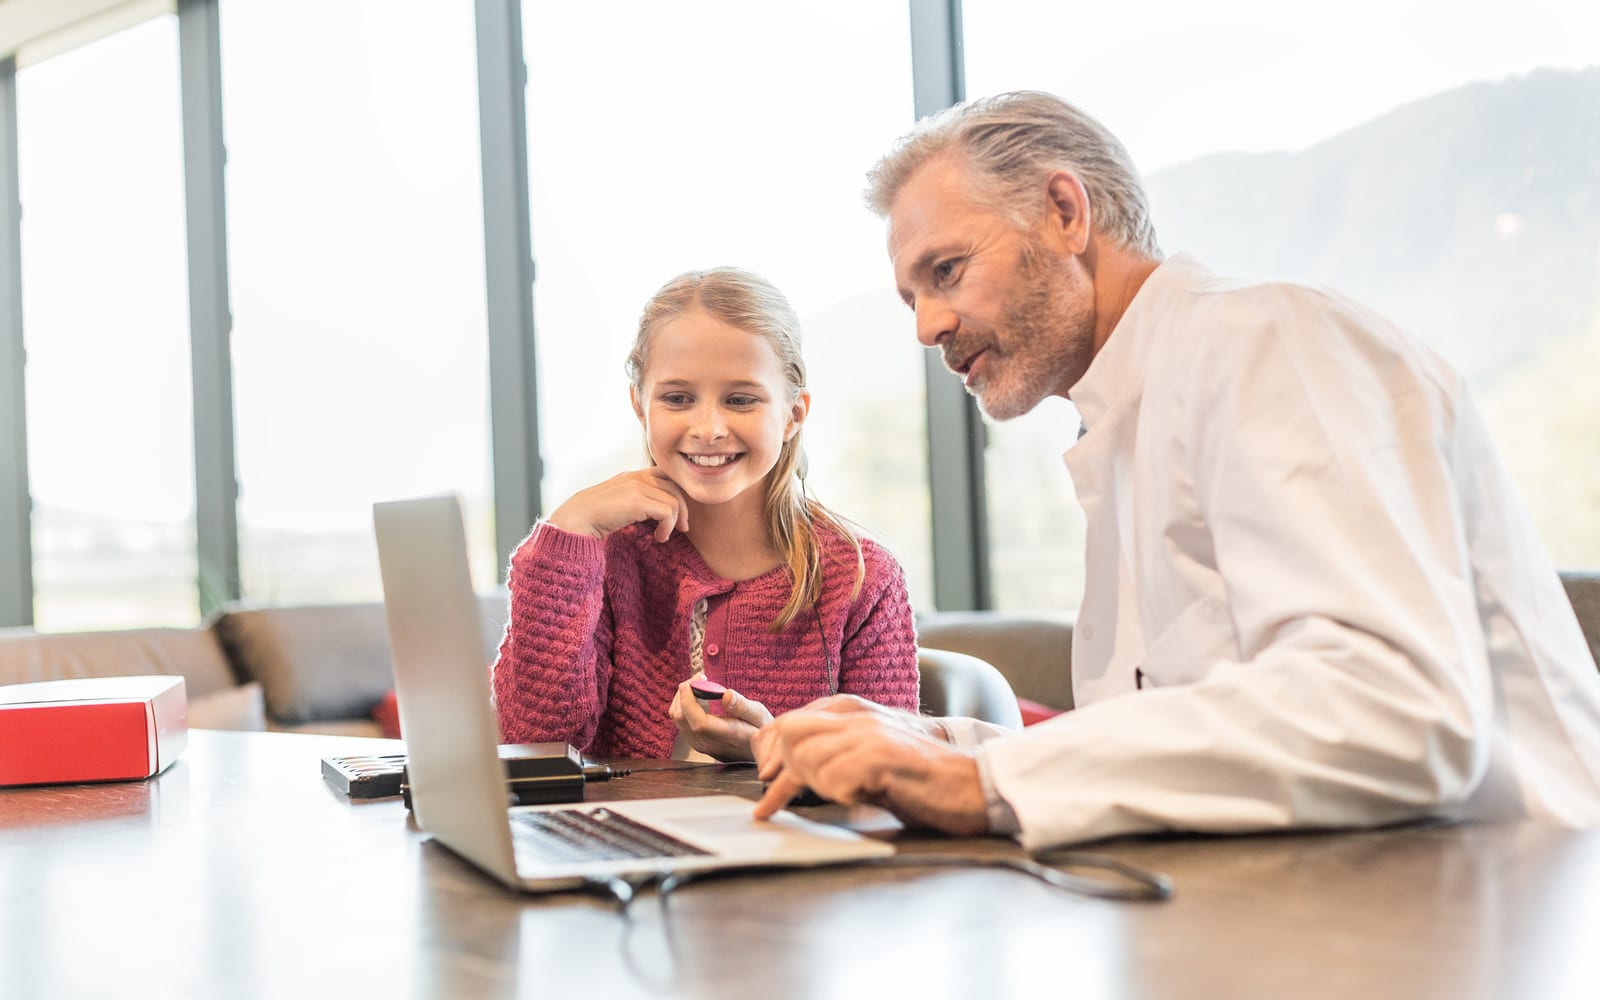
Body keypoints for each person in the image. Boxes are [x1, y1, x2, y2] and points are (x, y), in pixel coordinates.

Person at [752, 91, 1600, 849]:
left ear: (1063, 213)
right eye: (910, 298)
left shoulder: (1268, 340)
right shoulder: (1126, 420)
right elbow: (1186, 750)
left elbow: (1398, 711)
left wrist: (984, 782)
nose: (928, 326)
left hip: (1512, 906)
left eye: (946, 271)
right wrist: (938, 744)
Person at [493, 267, 920, 762]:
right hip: (631, 838)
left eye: (741, 400)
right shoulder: (609, 558)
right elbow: (532, 742)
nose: (709, 427)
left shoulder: (862, 577)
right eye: (677, 399)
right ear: (640, 406)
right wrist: (567, 533)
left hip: (795, 839)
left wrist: (765, 749)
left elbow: (893, 775)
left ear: (793, 414)